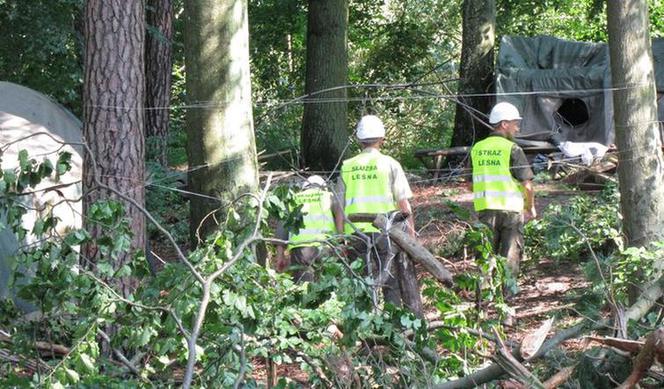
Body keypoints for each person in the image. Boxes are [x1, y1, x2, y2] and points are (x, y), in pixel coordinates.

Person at [335, 114, 416, 307]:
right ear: (382, 138)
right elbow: (403, 203)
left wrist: (339, 237)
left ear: (359, 139)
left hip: (356, 233)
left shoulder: (348, 166)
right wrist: (411, 234)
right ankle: (393, 326)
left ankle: (363, 329)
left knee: (359, 282)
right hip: (386, 233)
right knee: (390, 282)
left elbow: (339, 205)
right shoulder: (390, 164)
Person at [471, 102, 536, 287]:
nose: (517, 128)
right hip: (510, 211)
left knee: (484, 256)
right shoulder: (512, 149)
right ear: (504, 124)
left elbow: (470, 183)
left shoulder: (477, 148)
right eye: (515, 123)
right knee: (510, 256)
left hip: (485, 210)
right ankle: (506, 298)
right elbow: (527, 185)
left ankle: (483, 298)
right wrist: (530, 206)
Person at [275, 175, 337, 283]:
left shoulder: (294, 198)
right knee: (327, 286)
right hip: (325, 246)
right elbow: (340, 219)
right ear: (323, 187)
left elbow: (282, 230)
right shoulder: (329, 196)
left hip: (300, 249)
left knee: (304, 287)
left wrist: (280, 257)